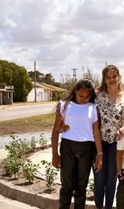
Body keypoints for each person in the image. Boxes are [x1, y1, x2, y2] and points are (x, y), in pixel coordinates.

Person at [51, 78, 103, 209]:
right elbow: (56, 130)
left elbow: (96, 133)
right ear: (75, 91)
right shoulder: (64, 105)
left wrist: (100, 154)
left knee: (81, 187)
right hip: (68, 147)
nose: (83, 99)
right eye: (81, 95)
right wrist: (55, 155)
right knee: (66, 186)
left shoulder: (93, 108)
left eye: (87, 96)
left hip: (87, 148)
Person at [94, 64, 124, 209]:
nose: (111, 80)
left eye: (114, 76)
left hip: (117, 145)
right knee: (99, 179)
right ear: (104, 79)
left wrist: (123, 128)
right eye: (108, 77)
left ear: (119, 77)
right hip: (99, 143)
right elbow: (85, 112)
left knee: (111, 180)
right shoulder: (98, 97)